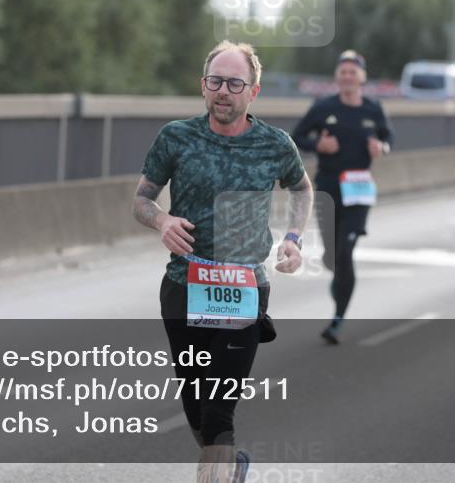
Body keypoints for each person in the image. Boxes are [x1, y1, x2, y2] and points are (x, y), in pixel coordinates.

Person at [133, 40, 314, 482]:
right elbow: (141, 199)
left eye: (235, 83)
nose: (224, 91)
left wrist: (293, 238)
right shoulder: (176, 137)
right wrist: (161, 221)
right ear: (203, 86)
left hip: (243, 291)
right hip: (184, 285)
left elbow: (303, 189)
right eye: (216, 81)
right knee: (196, 408)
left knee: (218, 415)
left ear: (253, 92)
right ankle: (230, 466)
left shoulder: (275, 144)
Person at [291, 50, 393, 344]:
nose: (348, 76)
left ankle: (337, 319)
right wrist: (318, 145)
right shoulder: (324, 107)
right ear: (337, 77)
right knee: (334, 258)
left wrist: (381, 148)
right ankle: (337, 273)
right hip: (329, 187)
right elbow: (296, 136)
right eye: (343, 71)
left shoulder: (373, 109)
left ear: (362, 77)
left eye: (353, 71)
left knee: (346, 253)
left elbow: (388, 137)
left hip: (359, 189)